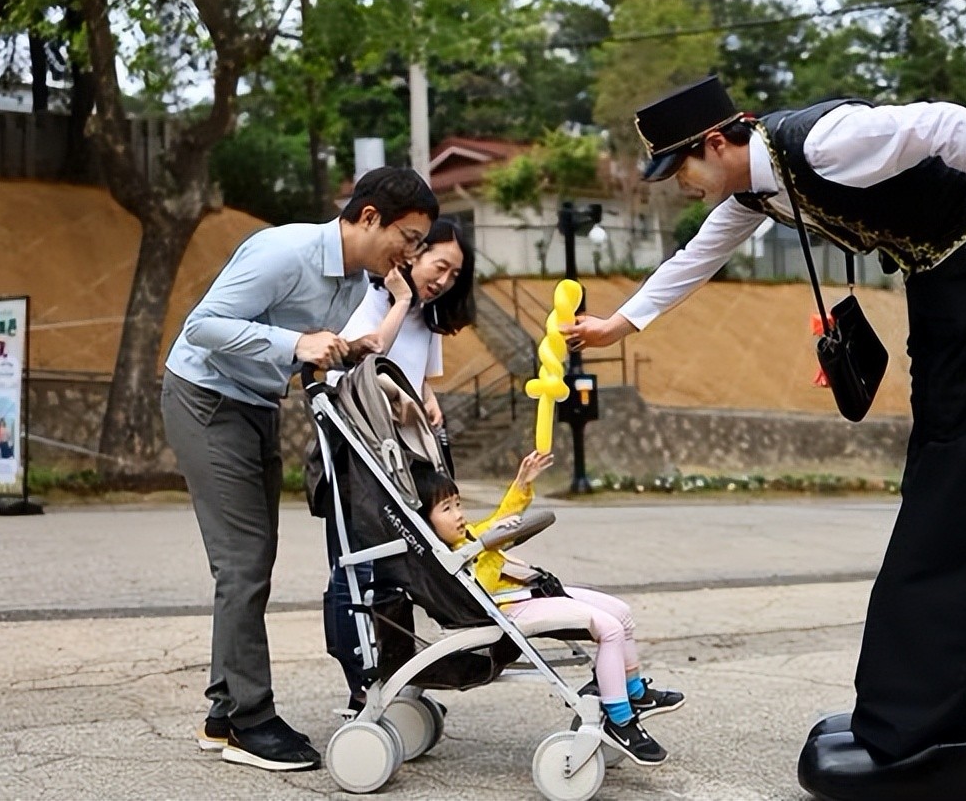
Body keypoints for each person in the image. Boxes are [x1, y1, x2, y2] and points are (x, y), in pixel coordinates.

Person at [562, 76, 966, 800]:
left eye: (680, 168)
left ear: (716, 143)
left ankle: (926, 722)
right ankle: (905, 708)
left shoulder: (821, 142)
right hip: (938, 283)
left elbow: (949, 122)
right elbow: (694, 259)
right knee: (938, 473)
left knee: (959, 477)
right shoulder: (753, 188)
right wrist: (617, 325)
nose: (678, 186)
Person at [161, 166, 438, 772]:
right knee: (243, 563)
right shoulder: (284, 251)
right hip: (205, 398)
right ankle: (248, 720)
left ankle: (222, 711)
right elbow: (202, 327)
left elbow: (313, 347)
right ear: (370, 218)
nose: (411, 254)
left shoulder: (352, 280)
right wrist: (296, 346)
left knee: (251, 560)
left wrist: (349, 353)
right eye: (410, 238)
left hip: (254, 403)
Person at [410, 450, 684, 766]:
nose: (459, 514)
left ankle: (634, 691)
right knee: (608, 628)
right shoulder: (443, 558)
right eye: (447, 508)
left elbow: (500, 518)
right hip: (509, 609)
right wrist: (490, 542)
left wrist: (521, 482)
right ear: (424, 521)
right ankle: (619, 720)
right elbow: (481, 580)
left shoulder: (468, 538)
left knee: (620, 612)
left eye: (458, 504)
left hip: (530, 593)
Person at [322, 216, 476, 710]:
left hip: (400, 467)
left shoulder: (427, 320)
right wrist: (403, 299)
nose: (444, 279)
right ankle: (360, 683)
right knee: (356, 572)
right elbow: (357, 363)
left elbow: (418, 380)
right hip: (357, 460)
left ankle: (393, 677)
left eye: (454, 274)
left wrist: (428, 400)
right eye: (440, 265)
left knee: (397, 572)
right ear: (413, 254)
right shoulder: (374, 300)